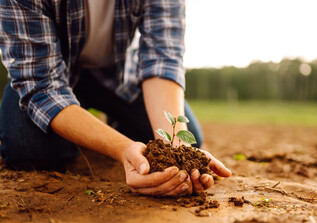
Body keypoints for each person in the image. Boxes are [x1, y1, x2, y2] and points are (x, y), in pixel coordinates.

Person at [0, 0, 231, 197]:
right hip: (51, 72)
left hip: (119, 76)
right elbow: (42, 86)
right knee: (27, 149)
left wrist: (179, 151)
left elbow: (163, 59)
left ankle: (104, 126)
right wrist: (122, 148)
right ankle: (85, 132)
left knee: (192, 140)